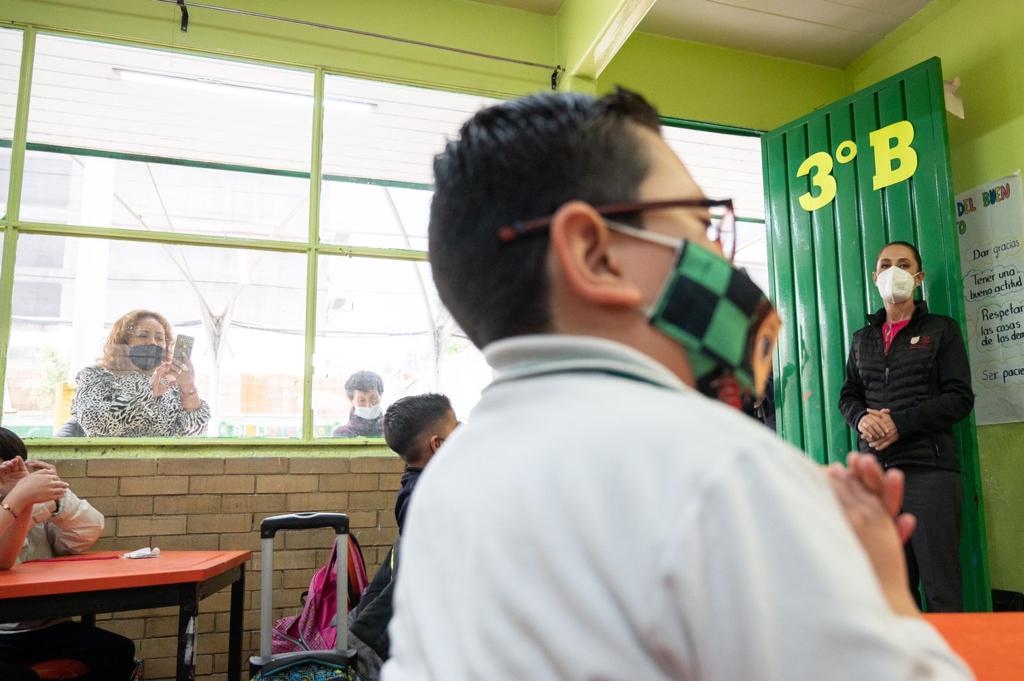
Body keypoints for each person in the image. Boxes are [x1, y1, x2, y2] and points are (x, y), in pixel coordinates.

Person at [382, 89, 970, 680]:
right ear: (593, 254)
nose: (721, 254)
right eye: (699, 225)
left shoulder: (447, 483)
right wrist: (882, 588)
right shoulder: (723, 474)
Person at [839, 241, 974, 612]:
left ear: (918, 277)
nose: (893, 271)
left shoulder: (941, 330)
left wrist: (899, 423)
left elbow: (960, 397)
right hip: (877, 479)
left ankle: (950, 668)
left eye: (903, 264)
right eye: (885, 264)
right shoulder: (862, 339)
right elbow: (849, 394)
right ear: (875, 276)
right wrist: (861, 419)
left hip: (929, 473)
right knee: (892, 593)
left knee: (941, 590)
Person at [0, 428, 137, 681]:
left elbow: (88, 531)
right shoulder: (21, 501)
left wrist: (57, 500)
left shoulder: (33, 498)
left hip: (47, 624)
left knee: (118, 651)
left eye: (10, 466)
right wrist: (21, 502)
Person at [70, 309, 210, 437]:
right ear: (124, 341)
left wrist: (188, 388)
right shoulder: (95, 375)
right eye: (143, 336)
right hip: (111, 462)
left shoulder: (171, 384)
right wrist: (150, 392)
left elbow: (194, 433)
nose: (153, 343)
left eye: (160, 338)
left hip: (165, 463)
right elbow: (94, 421)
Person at [382, 393, 459, 533]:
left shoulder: (432, 481)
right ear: (438, 444)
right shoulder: (421, 502)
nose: (462, 433)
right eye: (456, 428)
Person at [333, 370, 385, 438]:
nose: (369, 405)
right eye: (361, 400)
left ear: (381, 396)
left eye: (373, 398)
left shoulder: (393, 432)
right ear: (351, 401)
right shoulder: (341, 434)